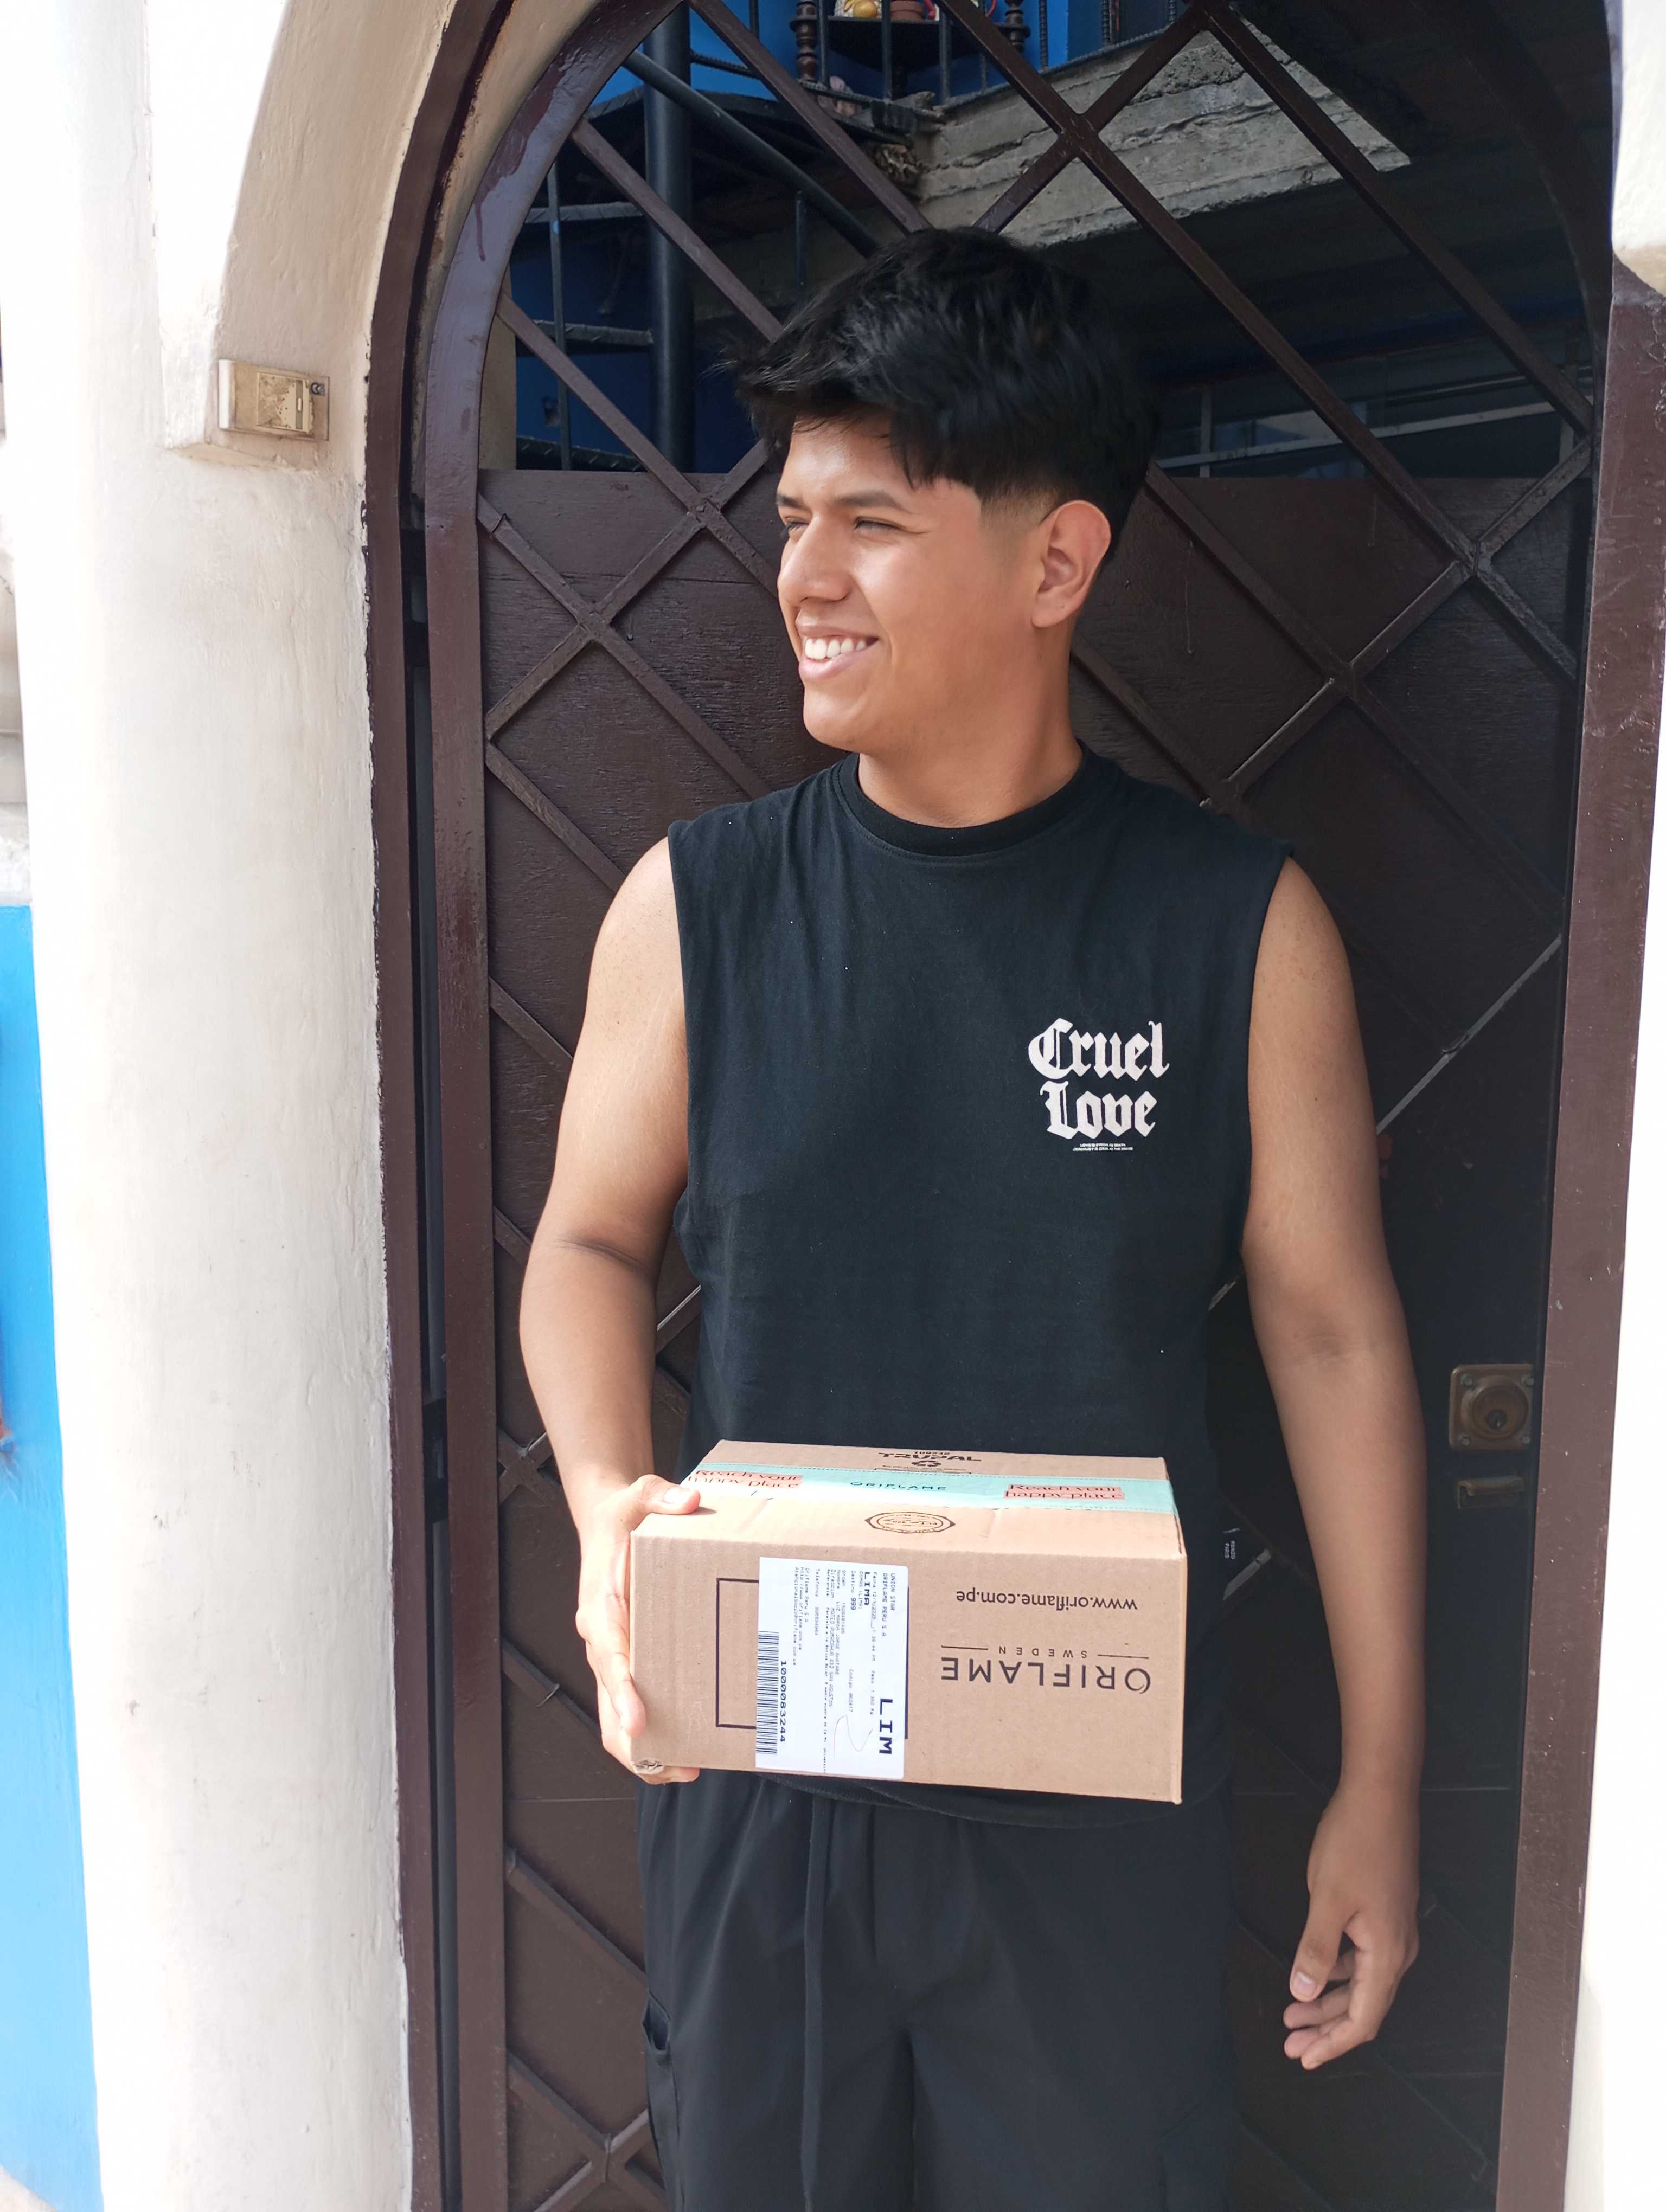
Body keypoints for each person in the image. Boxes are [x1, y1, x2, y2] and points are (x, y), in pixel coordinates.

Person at [518, 227, 1425, 2211]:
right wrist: (606, 1512)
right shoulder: (697, 909)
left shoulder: (1235, 930)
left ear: (1057, 563)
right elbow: (583, 1248)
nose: (805, 578)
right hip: (767, 1767)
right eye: (794, 522)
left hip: (1090, 1795)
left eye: (873, 524)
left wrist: (1383, 1779)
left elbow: (1334, 1338)